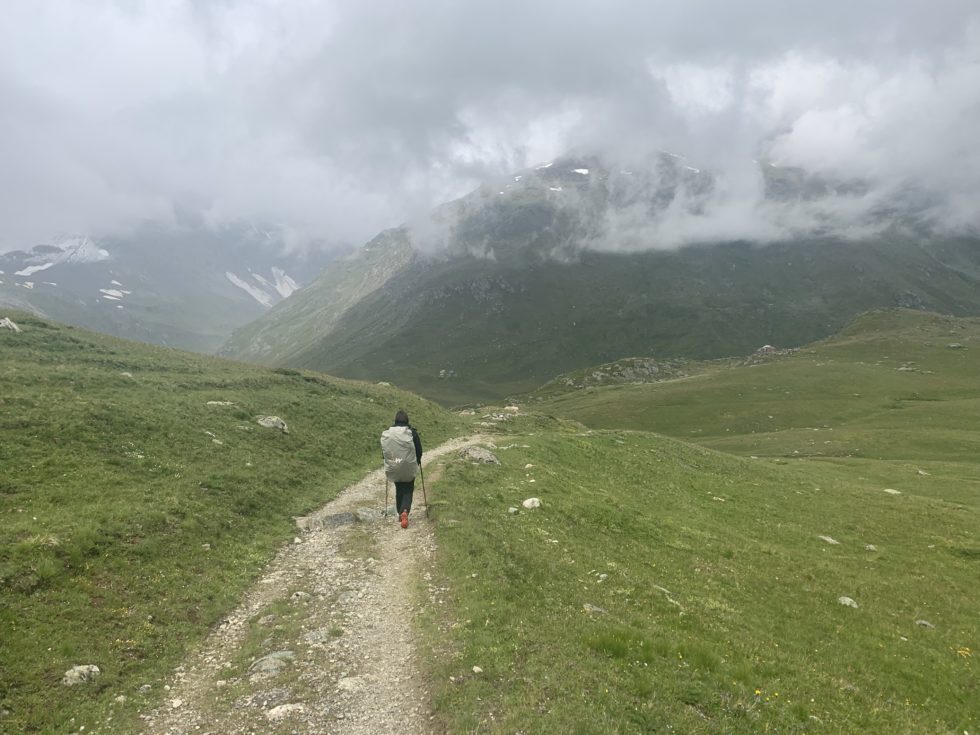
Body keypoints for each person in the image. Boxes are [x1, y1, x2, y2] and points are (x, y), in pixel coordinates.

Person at [380, 410, 423, 528]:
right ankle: (405, 511)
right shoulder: (412, 433)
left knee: (399, 487)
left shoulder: (388, 433)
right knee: (408, 488)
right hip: (409, 465)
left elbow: (385, 451)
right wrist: (418, 461)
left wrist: (387, 461)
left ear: (395, 420)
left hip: (395, 464)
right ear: (407, 420)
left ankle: (400, 513)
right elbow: (419, 450)